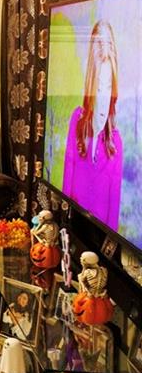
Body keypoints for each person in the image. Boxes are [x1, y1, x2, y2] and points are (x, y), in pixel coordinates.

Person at [62, 19, 122, 229]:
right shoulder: (76, 122)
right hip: (73, 232)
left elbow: (113, 217)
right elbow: (65, 192)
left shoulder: (116, 143)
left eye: (108, 88)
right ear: (90, 88)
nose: (104, 98)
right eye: (99, 88)